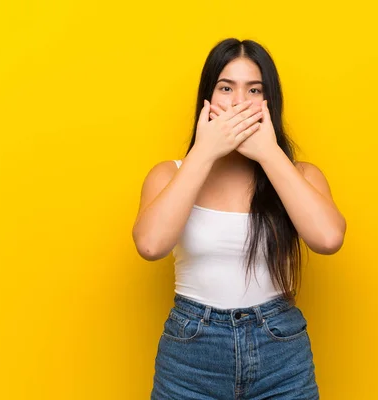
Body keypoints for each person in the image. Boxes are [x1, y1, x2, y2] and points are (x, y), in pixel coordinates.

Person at [132, 38, 347, 399]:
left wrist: (269, 153)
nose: (237, 102)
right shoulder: (169, 174)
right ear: (207, 98)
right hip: (191, 355)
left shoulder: (299, 175)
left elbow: (328, 240)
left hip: (280, 350)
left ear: (268, 102)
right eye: (226, 87)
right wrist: (205, 151)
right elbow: (150, 245)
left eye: (254, 89)